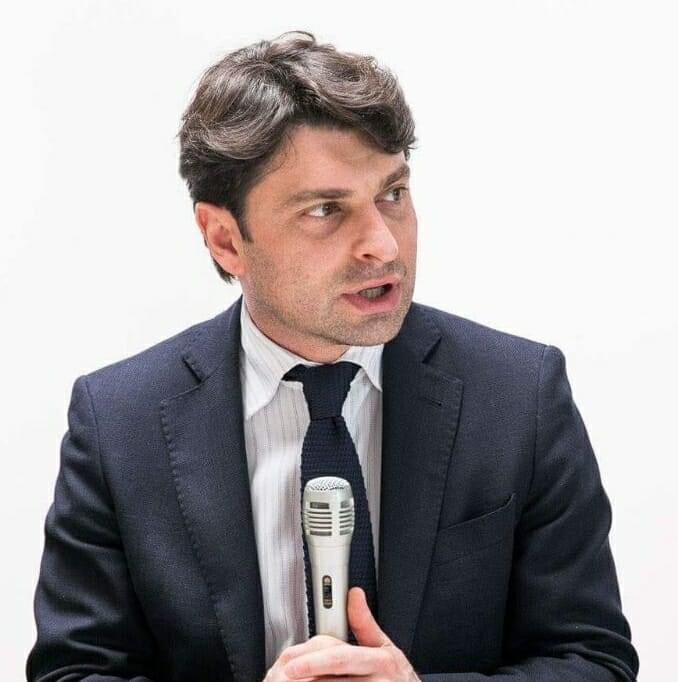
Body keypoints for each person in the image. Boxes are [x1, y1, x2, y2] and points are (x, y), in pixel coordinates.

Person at [27, 30, 639, 682]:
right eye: (326, 210)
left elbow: (594, 662)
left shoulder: (520, 396)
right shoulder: (118, 423)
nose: (383, 245)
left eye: (393, 195)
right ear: (226, 240)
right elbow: (73, 673)